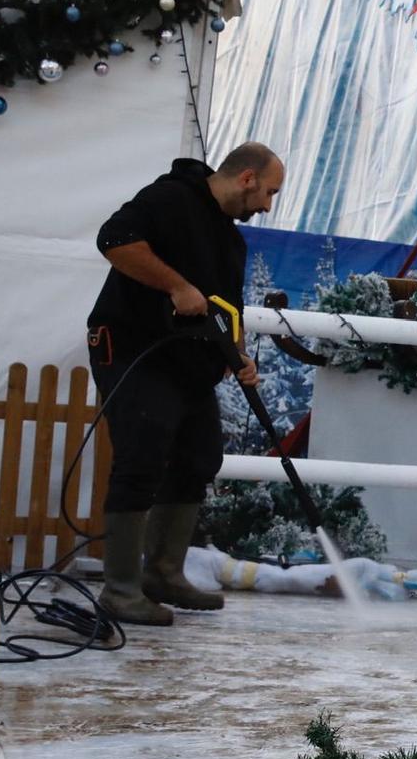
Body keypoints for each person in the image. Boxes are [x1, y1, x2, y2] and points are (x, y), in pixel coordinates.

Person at [85, 143, 285, 626]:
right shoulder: (170, 198)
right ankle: (120, 589)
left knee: (199, 457)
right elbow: (114, 239)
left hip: (190, 360)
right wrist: (175, 285)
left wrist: (236, 355)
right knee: (142, 457)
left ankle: (163, 573)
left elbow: (225, 308)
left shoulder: (230, 240)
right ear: (246, 178)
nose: (267, 206)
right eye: (269, 192)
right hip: (136, 348)